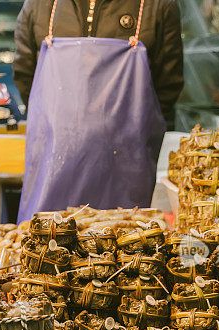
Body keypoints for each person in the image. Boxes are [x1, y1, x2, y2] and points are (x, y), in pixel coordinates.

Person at [13, 0, 184, 222]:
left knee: (126, 248)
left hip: (126, 177)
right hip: (51, 176)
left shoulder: (157, 6)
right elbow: (26, 79)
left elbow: (165, 90)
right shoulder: (40, 5)